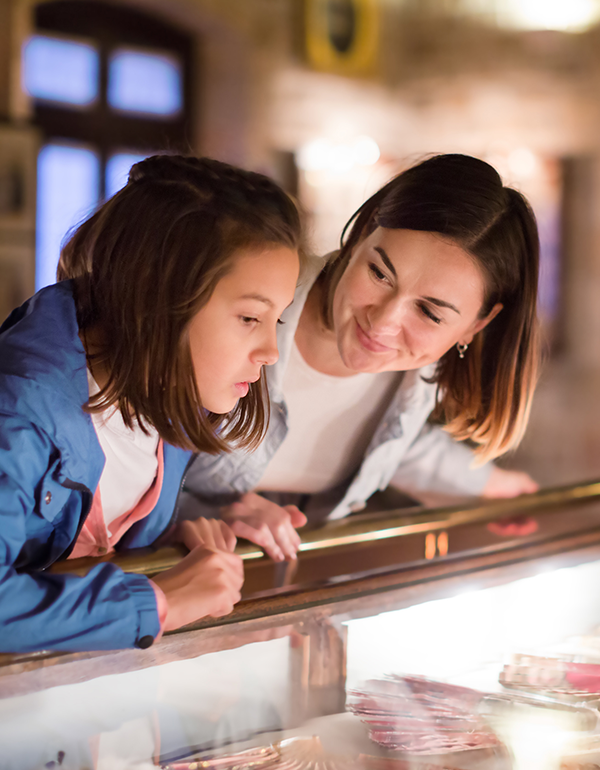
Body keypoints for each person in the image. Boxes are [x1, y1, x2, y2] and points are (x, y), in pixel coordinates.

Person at [0, 154, 302, 652]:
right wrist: (160, 600)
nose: (270, 352)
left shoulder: (168, 398)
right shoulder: (18, 415)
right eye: (250, 318)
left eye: (278, 321)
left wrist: (174, 537)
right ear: (157, 298)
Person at [180, 153, 541, 562]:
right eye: (380, 274)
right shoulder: (246, 304)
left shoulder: (417, 378)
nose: (383, 322)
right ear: (363, 235)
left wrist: (487, 484)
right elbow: (126, 450)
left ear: (478, 324)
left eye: (429, 312)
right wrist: (208, 514)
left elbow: (395, 446)